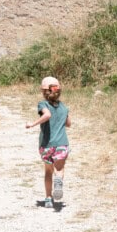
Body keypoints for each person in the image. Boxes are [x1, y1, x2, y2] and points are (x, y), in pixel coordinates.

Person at [25, 75, 71, 207]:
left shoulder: (43, 104)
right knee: (59, 169)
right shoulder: (63, 107)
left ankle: (48, 198)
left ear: (43, 91)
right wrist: (63, 116)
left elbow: (47, 114)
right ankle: (59, 180)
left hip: (46, 145)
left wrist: (32, 124)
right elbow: (68, 124)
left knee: (48, 171)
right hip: (62, 144)